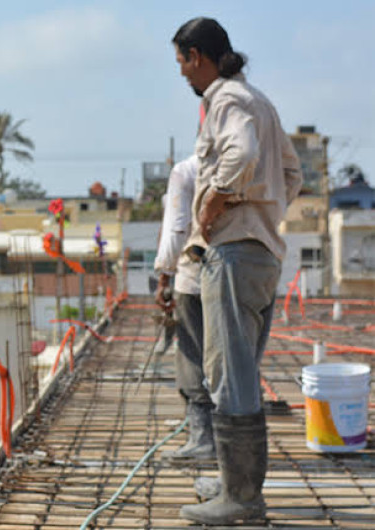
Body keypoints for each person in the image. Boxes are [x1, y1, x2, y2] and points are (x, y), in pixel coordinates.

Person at [171, 17, 302, 525]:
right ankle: (232, 485)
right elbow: (291, 173)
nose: (183, 74)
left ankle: (242, 500)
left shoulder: (224, 98)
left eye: (182, 62)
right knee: (239, 372)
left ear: (197, 56)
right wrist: (262, 210)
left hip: (233, 252)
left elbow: (242, 155)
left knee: (229, 377)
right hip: (262, 250)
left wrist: (216, 206)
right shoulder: (259, 100)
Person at [153, 154, 214, 463]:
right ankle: (233, 446)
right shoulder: (255, 164)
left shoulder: (187, 171)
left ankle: (203, 438)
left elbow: (176, 231)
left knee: (193, 356)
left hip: (197, 280)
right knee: (235, 358)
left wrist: (164, 276)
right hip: (250, 277)